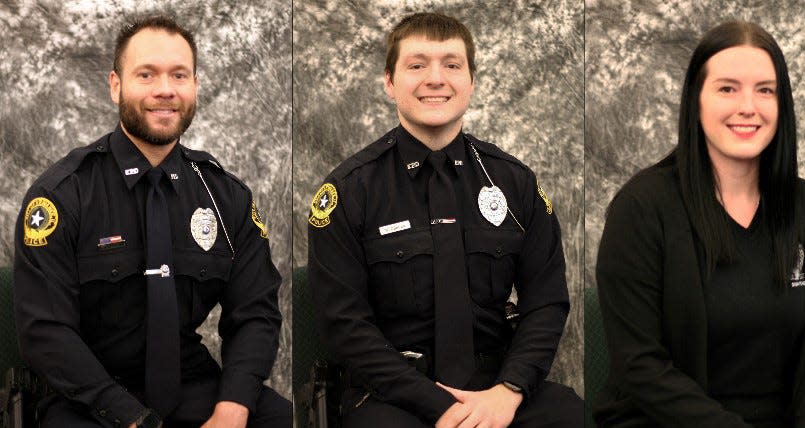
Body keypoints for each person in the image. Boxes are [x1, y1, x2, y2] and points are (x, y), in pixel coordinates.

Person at [306, 12, 583, 428]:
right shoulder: (349, 191)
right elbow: (345, 325)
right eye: (417, 65)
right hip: (394, 396)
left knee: (567, 414)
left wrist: (508, 391)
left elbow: (546, 301)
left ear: (471, 81)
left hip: (496, 389)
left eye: (452, 65)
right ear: (389, 81)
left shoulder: (514, 183)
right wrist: (442, 408)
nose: (436, 78)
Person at [13, 15, 290, 428]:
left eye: (179, 75)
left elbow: (256, 313)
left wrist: (233, 406)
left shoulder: (225, 196)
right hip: (91, 398)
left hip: (193, 387)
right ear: (115, 85)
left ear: (195, 85)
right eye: (147, 74)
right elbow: (46, 332)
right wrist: (131, 419)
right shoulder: (61, 196)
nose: (165, 90)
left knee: (277, 418)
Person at [593, 21, 805, 428]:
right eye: (727, 88)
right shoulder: (641, 208)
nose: (748, 106)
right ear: (696, 101)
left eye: (764, 90)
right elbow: (640, 364)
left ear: (781, 103)